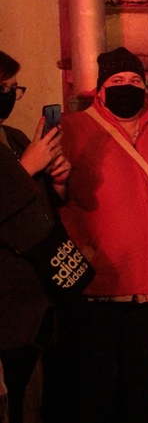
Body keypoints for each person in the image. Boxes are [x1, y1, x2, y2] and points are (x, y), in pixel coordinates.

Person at [47, 47, 148, 423]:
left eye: (135, 80)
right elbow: (52, 194)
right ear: (100, 91)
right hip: (98, 281)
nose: (127, 87)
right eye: (117, 81)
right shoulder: (74, 128)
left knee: (138, 373)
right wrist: (57, 188)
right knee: (95, 378)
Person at [0, 51, 70, 423]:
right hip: (7, 307)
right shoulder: (20, 153)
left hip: (39, 298)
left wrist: (57, 183)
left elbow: (37, 204)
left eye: (13, 89)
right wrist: (28, 167)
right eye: (2, 88)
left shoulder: (12, 137)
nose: (9, 96)